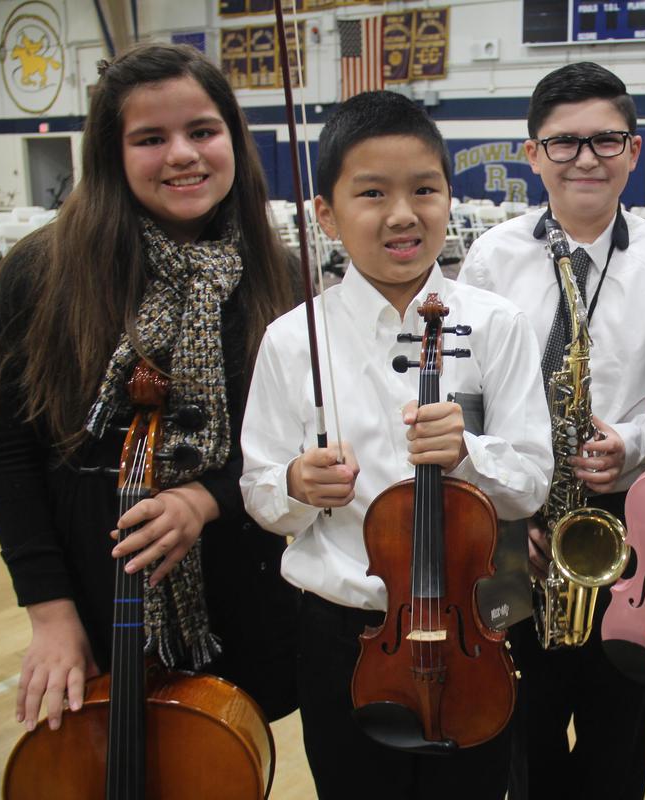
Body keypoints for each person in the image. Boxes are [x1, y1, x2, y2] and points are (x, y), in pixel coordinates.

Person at [239, 89, 553, 800]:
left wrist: (469, 451)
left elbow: (531, 482)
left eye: (424, 190)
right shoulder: (291, 339)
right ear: (326, 214)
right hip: (343, 633)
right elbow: (258, 490)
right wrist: (296, 485)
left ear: (449, 197)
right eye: (372, 193)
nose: (403, 214)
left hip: (471, 623)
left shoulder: (497, 324)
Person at [0, 43, 300, 733]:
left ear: (233, 140)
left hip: (239, 586)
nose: (182, 154)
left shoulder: (280, 275)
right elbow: (6, 452)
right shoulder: (38, 274)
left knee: (221, 767)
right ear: (111, 153)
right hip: (94, 592)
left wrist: (207, 498)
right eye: (150, 138)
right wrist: (50, 612)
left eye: (202, 131)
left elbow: (299, 444)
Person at [457, 61, 645, 800]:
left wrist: (633, 441)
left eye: (606, 140)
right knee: (521, 730)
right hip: (517, 521)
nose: (585, 158)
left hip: (624, 519)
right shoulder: (491, 257)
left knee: (619, 728)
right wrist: (505, 517)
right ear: (533, 153)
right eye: (564, 142)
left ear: (634, 150)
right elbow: (469, 401)